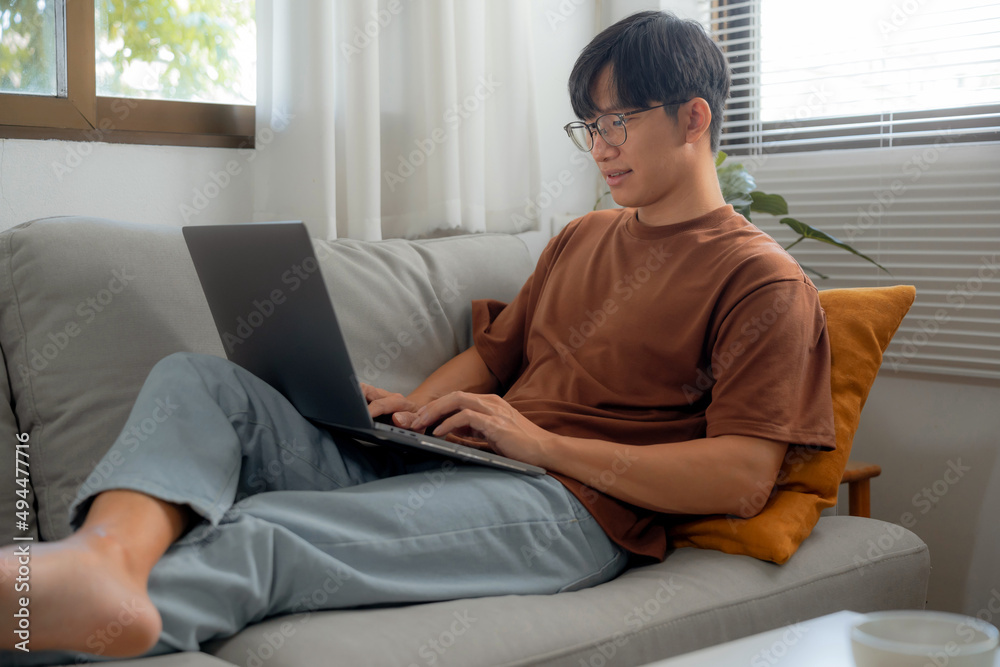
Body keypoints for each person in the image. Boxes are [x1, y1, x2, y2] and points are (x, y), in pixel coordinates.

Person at [1, 10, 834, 662]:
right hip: (460, 458)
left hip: (568, 509)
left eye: (617, 122)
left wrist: (543, 445)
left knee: (266, 533)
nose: (600, 148)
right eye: (589, 125)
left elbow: (741, 476)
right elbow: (492, 357)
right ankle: (100, 559)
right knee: (201, 381)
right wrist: (412, 409)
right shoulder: (582, 238)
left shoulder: (761, 279)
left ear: (693, 119)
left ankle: (44, 617)